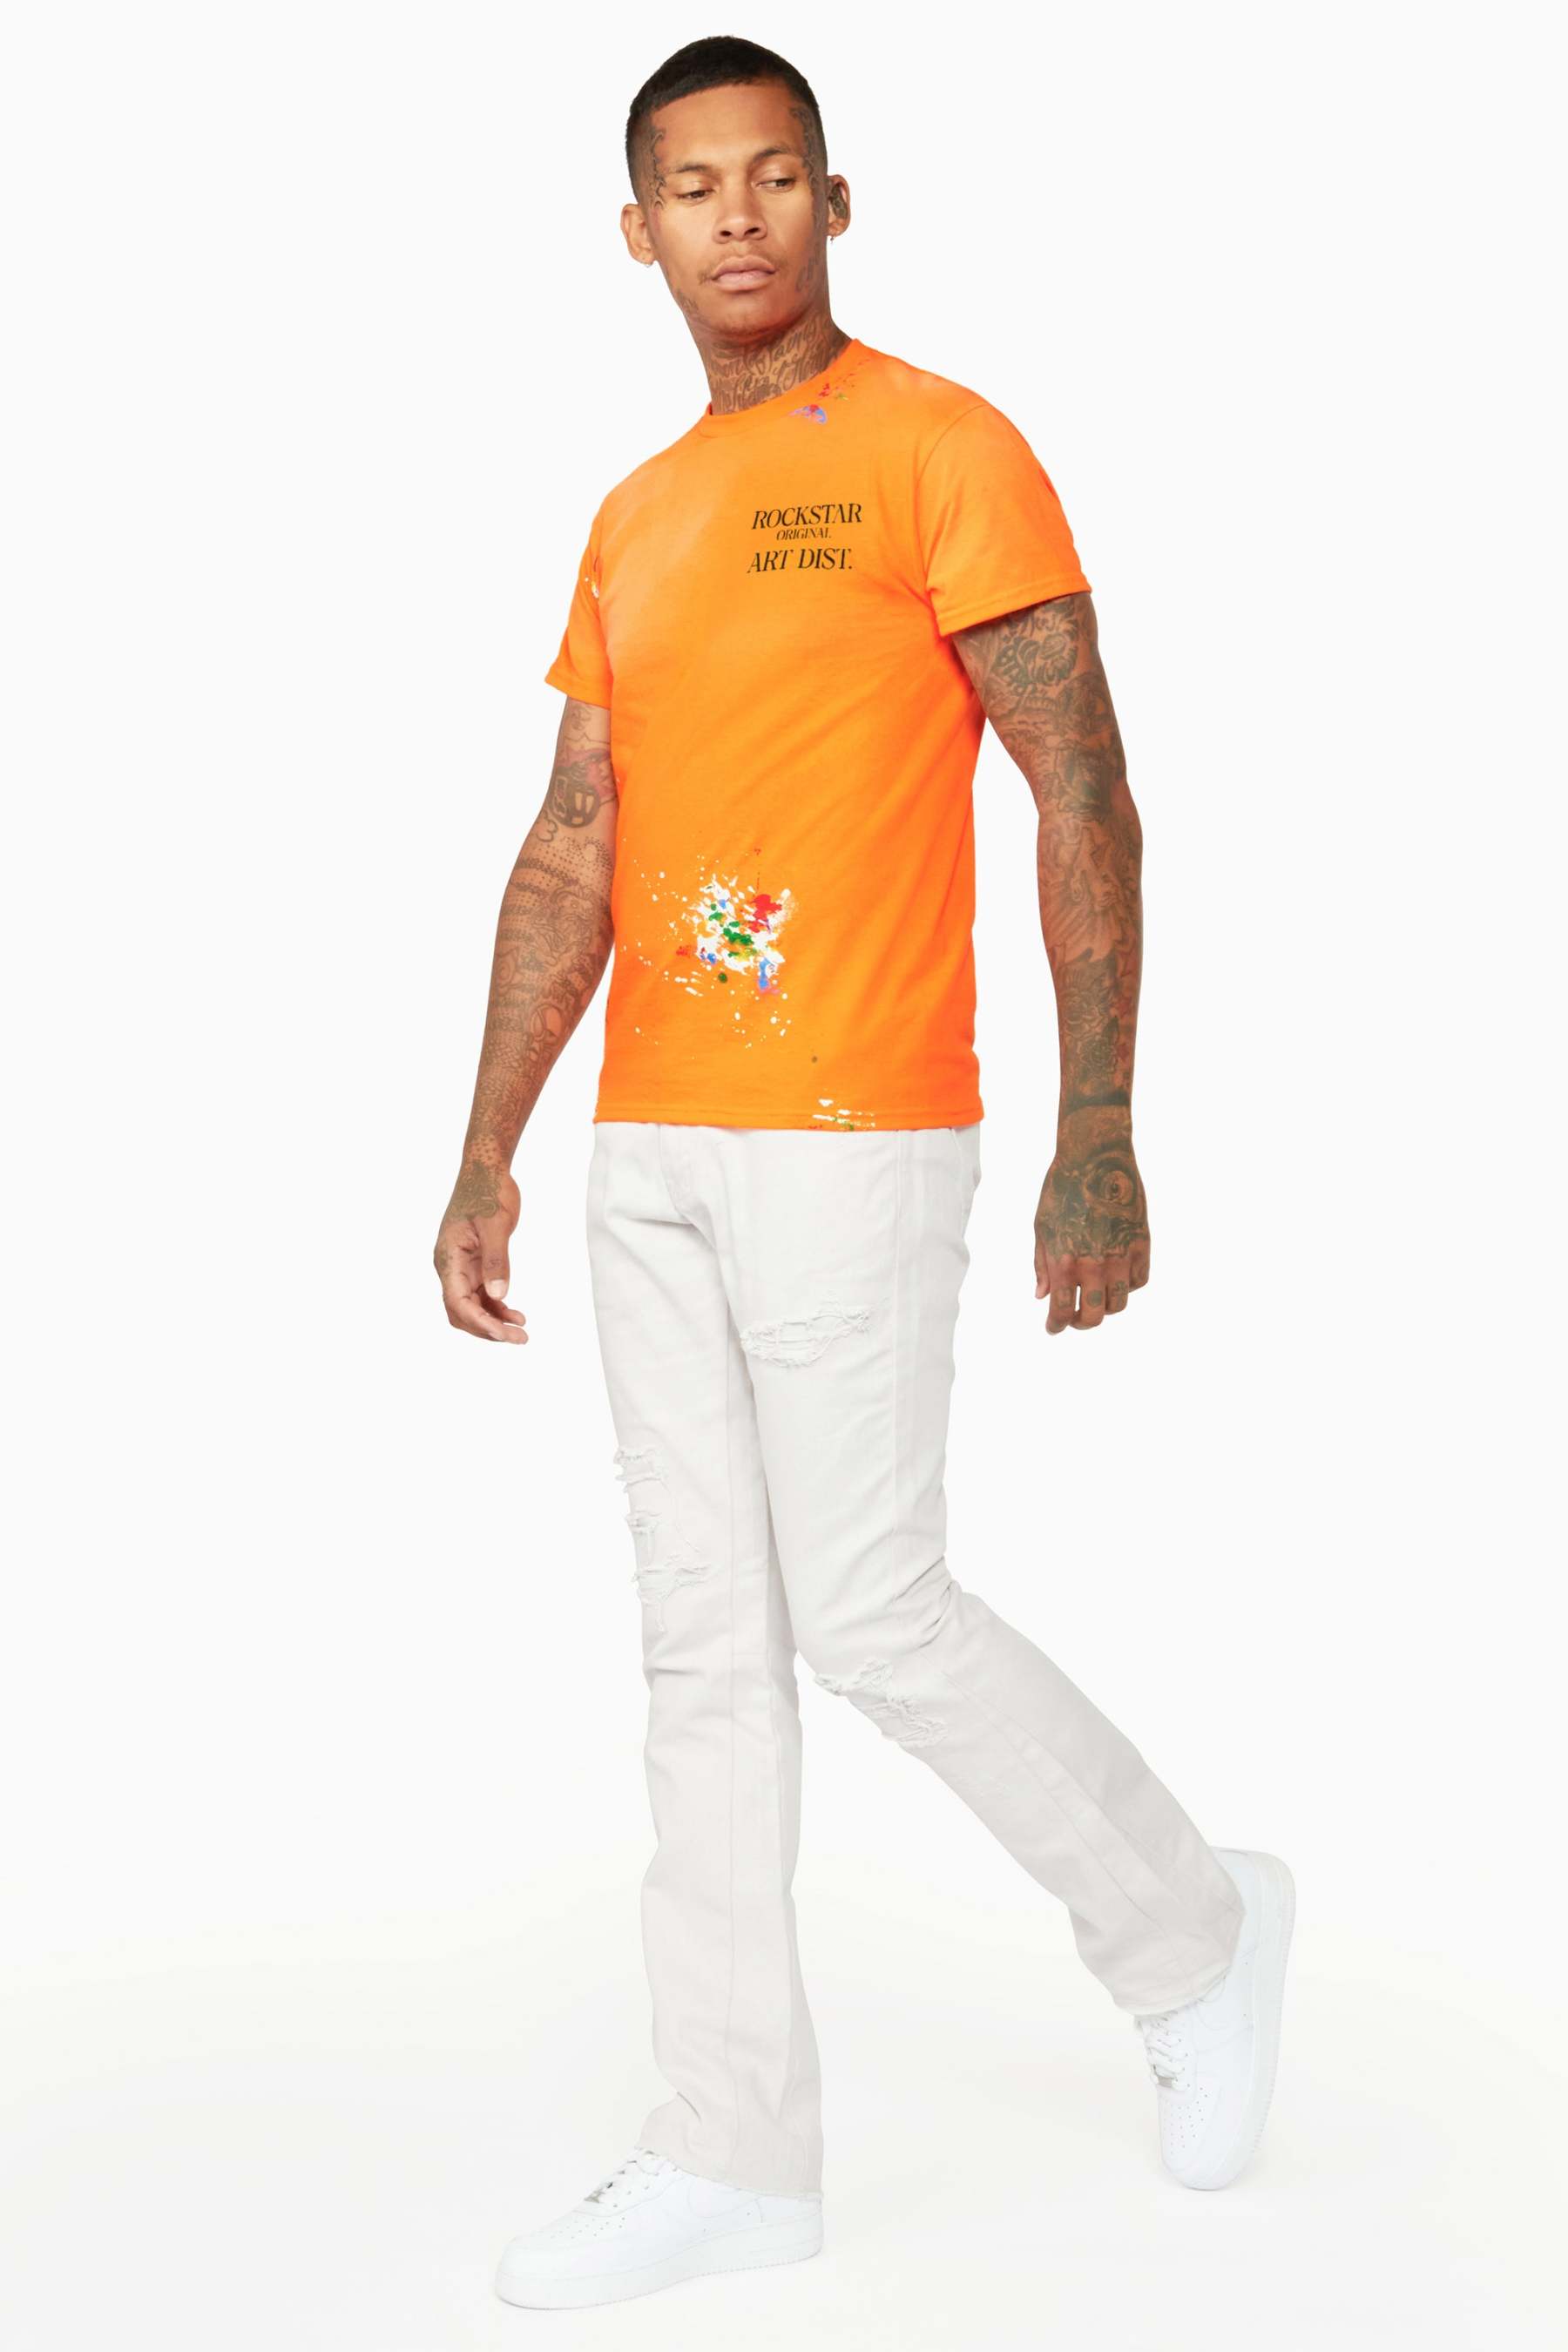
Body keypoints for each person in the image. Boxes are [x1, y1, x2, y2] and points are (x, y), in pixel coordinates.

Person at [433, 34, 1294, 2314]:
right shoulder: (636, 512)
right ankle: (734, 2149)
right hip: (650, 1140)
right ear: (636, 230)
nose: (736, 217)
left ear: (835, 201)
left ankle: (1194, 1934)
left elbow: (1083, 783)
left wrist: (1101, 1123)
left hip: (859, 1125)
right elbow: (577, 838)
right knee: (703, 1650)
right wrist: (489, 1138)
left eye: (775, 176)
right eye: (691, 187)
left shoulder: (941, 448)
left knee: (874, 1607)